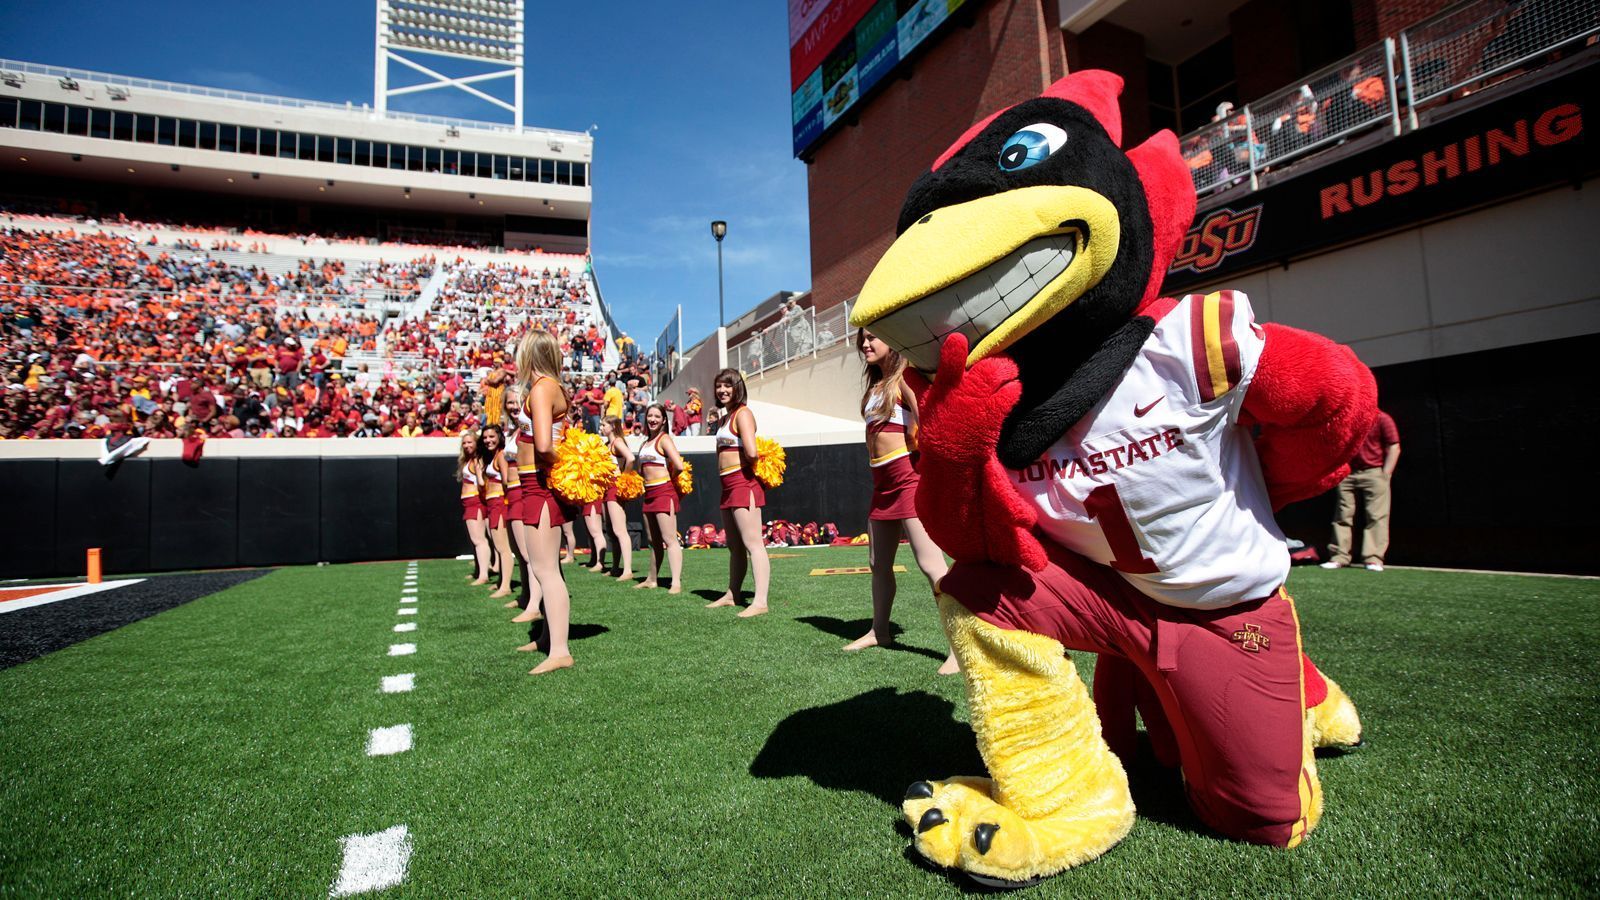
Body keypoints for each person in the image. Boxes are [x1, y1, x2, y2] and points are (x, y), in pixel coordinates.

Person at [846, 329, 959, 674]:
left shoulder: (904, 378)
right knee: (878, 563)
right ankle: (879, 631)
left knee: (930, 564)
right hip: (881, 486)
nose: (865, 343)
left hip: (909, 480)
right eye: (862, 339)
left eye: (873, 337)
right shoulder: (874, 387)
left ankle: (960, 647)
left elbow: (931, 421)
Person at [511, 329, 576, 675]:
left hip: (538, 485)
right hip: (533, 485)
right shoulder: (551, 387)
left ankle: (560, 650)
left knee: (545, 570)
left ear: (528, 355)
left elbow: (544, 446)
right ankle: (548, 637)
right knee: (548, 567)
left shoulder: (541, 389)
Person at [705, 368, 771, 617]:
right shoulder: (724, 418)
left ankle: (760, 601)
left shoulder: (743, 414)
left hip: (743, 482)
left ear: (737, 388)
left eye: (727, 385)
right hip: (727, 486)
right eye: (719, 386)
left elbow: (752, 452)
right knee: (735, 545)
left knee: (753, 543)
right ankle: (733, 593)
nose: (722, 390)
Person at [1323, 408, 1401, 571]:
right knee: (1343, 514)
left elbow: (1394, 446)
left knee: (1376, 515)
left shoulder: (1382, 418)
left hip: (1374, 472)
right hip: (1347, 472)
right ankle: (1339, 557)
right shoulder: (1348, 418)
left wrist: (1386, 474)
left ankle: (1373, 559)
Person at [634, 404, 685, 592]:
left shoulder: (664, 440)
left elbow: (679, 465)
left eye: (657, 416)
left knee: (669, 539)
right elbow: (641, 470)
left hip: (663, 492)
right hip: (649, 494)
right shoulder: (644, 442)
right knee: (652, 539)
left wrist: (667, 481)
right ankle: (652, 579)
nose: (653, 419)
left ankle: (676, 582)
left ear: (664, 420)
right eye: (650, 416)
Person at [584, 415, 636, 580]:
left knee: (620, 530)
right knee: (612, 531)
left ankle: (627, 569)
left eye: (604, 424)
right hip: (606, 488)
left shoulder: (618, 442)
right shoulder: (607, 444)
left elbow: (631, 458)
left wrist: (624, 478)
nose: (601, 427)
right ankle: (615, 567)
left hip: (615, 487)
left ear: (613, 426)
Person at [479, 424, 517, 598]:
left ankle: (506, 586)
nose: (488, 440)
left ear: (499, 437)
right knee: (498, 545)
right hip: (493, 504)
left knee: (503, 548)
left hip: (500, 503)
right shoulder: (493, 456)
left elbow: (506, 481)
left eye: (492, 437)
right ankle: (501, 581)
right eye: (485, 437)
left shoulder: (501, 456)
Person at [457, 430, 491, 585]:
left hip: (475, 502)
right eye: (464, 443)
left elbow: (482, 482)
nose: (466, 445)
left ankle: (483, 574)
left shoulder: (477, 460)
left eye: (470, 442)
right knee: (475, 540)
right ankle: (479, 570)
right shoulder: (469, 460)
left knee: (479, 540)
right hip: (469, 503)